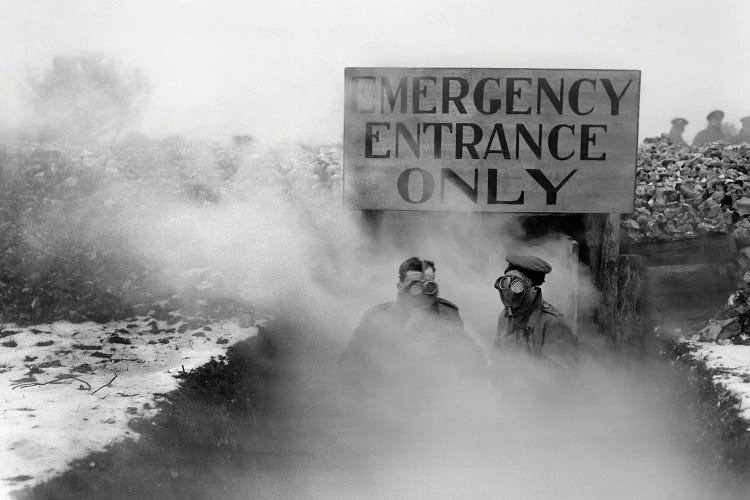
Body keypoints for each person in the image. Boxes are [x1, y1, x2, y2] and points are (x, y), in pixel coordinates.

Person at [339, 257, 481, 400]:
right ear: (400, 287)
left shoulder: (447, 314)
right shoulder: (378, 318)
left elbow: (472, 358)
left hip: (438, 401)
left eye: (429, 284)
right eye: (415, 285)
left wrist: (446, 344)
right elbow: (350, 366)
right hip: (389, 402)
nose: (422, 291)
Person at [490, 255, 578, 369]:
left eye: (517, 286)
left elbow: (561, 379)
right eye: (506, 283)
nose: (509, 293)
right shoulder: (505, 316)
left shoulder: (553, 323)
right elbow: (494, 364)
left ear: (533, 289)